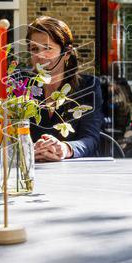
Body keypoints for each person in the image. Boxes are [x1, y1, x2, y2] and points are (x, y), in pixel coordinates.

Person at [26, 15, 104, 161]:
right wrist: (26, 150)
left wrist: (65, 148)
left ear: (66, 53)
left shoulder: (88, 86)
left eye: (47, 48)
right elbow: (5, 137)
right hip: (28, 171)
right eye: (34, 48)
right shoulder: (21, 86)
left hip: (74, 175)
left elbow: (90, 138)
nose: (39, 55)